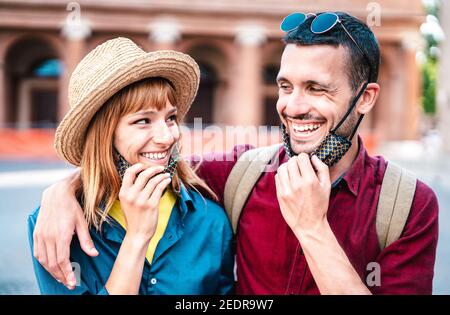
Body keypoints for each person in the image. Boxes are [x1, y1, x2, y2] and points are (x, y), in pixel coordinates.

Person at [33, 12, 439, 295]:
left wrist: (312, 227)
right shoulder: (237, 177)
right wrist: (65, 192)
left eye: (316, 88)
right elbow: (150, 161)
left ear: (365, 98)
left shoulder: (408, 205)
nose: (294, 107)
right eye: (284, 86)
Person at [27, 37, 234, 295]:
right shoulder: (54, 226)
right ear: (105, 135)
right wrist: (136, 239)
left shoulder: (211, 221)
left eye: (170, 118)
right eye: (143, 121)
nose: (168, 137)